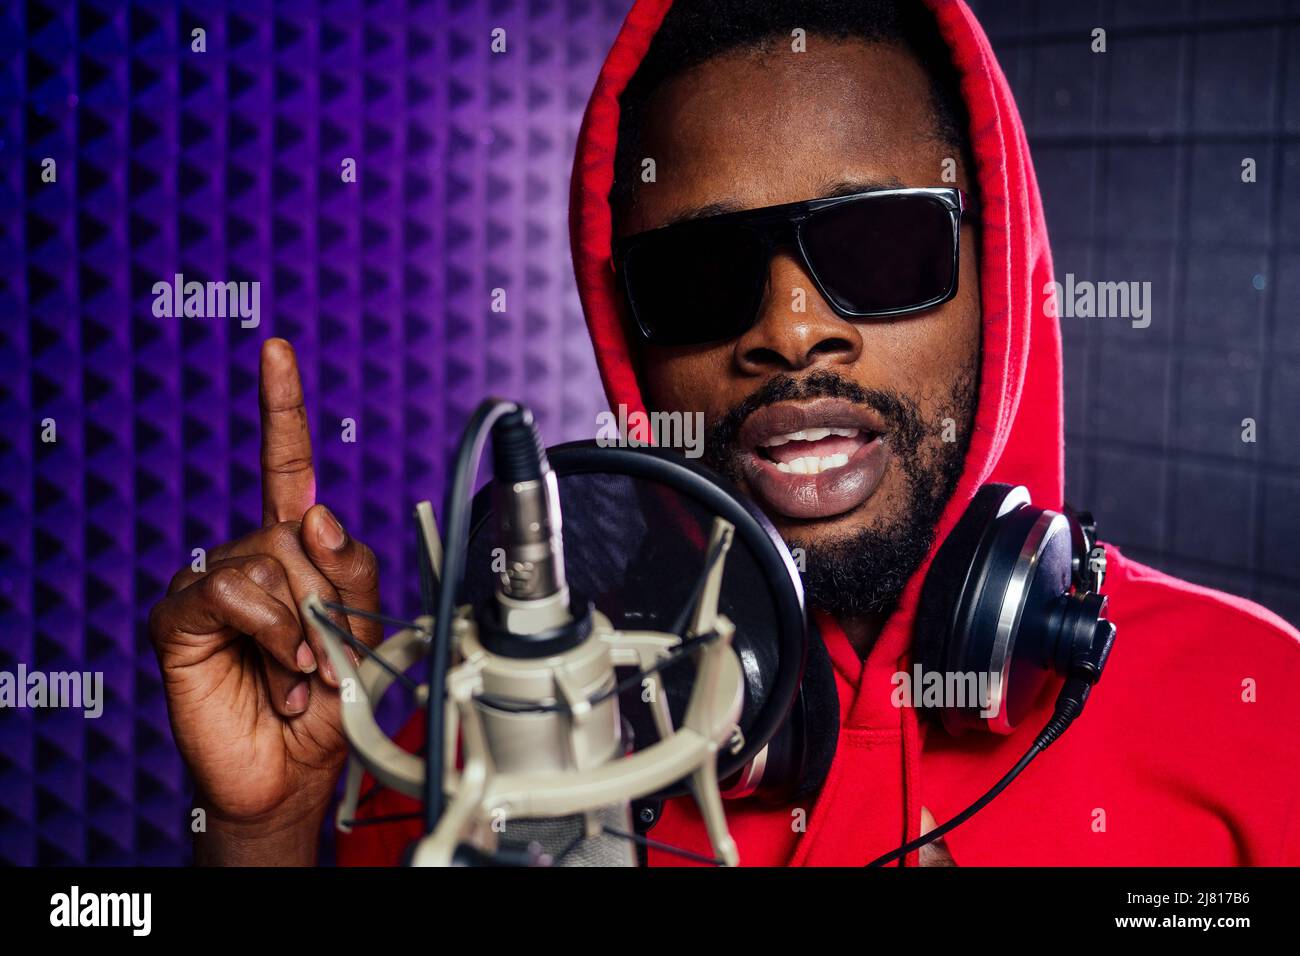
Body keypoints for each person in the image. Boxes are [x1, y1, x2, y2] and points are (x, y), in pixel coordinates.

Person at [149, 0, 1300, 866]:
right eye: (700, 273)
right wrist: (272, 831)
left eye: (879, 247)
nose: (791, 330)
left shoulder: (1260, 707)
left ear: (997, 274)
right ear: (626, 337)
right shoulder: (510, 732)